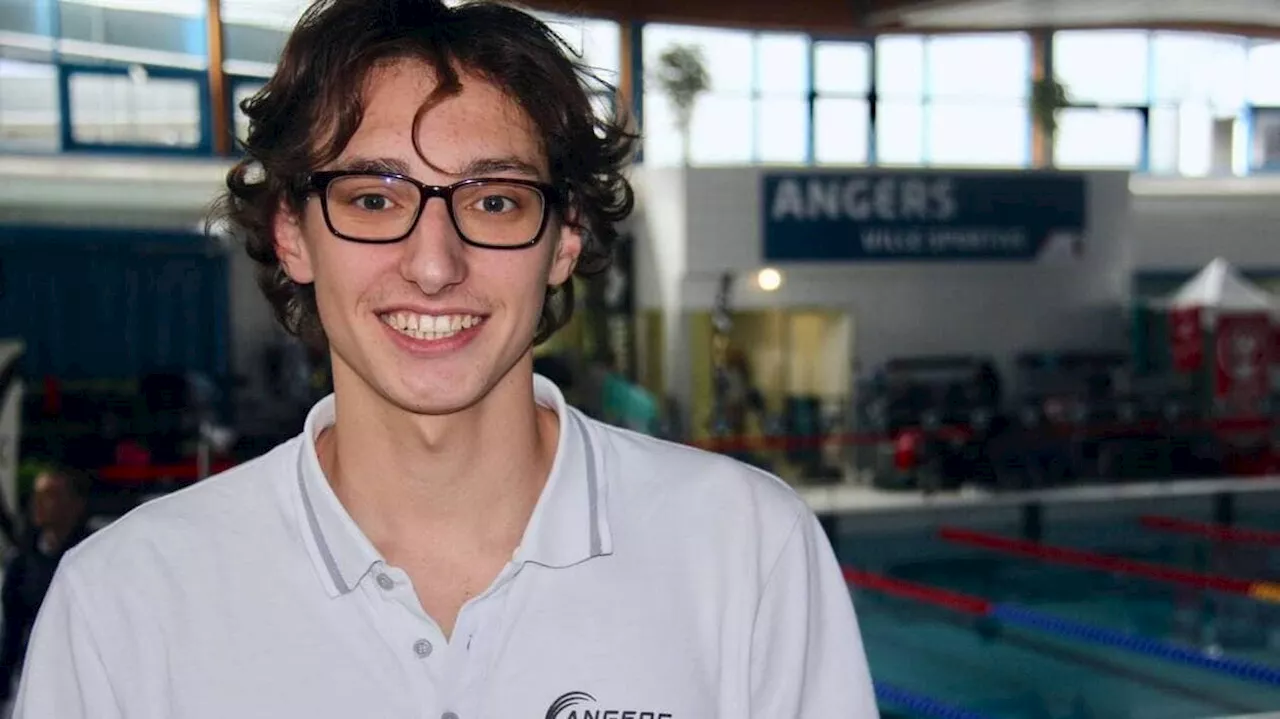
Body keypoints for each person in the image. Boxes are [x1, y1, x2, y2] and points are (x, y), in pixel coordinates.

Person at [15, 1, 879, 716]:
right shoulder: (125, 602)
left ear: (565, 239)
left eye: (496, 200)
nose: (434, 264)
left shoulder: (747, 552)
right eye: (373, 197)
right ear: (292, 232)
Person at [0, 466, 92, 703]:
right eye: (37, 495)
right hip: (31, 673)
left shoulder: (92, 556)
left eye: (51, 495)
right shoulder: (23, 561)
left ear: (76, 504)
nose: (39, 503)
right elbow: (13, 628)